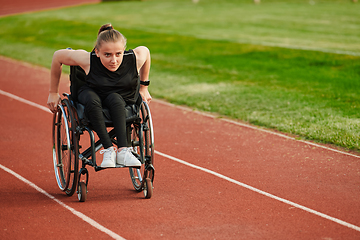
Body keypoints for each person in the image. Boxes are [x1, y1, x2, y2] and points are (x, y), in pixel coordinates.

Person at [47, 24, 152, 168]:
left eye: (118, 54)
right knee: (92, 99)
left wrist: (144, 87)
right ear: (97, 52)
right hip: (91, 93)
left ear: (123, 51)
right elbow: (58, 56)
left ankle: (123, 151)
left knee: (116, 99)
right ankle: (109, 149)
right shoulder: (88, 60)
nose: (113, 60)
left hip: (116, 97)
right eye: (107, 54)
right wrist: (53, 93)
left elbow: (145, 51)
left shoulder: (133, 59)